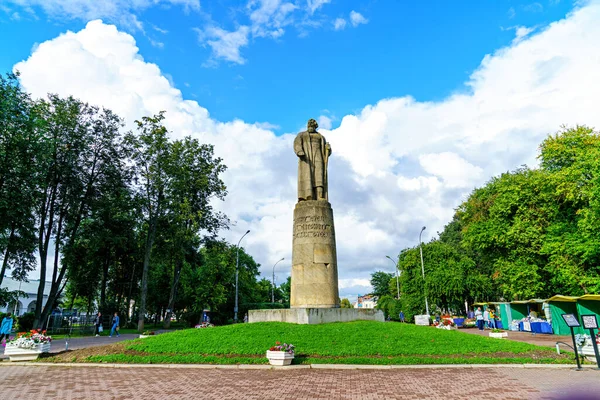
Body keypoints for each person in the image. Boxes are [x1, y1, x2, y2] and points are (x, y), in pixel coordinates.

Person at [294, 119, 332, 201]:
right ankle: (307, 196)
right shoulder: (302, 135)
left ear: (315, 127)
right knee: (307, 176)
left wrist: (328, 149)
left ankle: (319, 196)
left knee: (319, 176)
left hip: (318, 157)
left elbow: (326, 151)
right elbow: (297, 143)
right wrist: (299, 151)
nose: (310, 127)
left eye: (312, 125)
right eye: (309, 125)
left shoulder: (321, 137)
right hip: (306, 158)